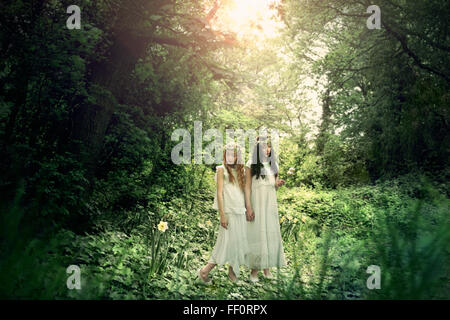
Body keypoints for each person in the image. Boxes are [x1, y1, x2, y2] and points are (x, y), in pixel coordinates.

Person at [198, 143, 249, 283]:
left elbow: (244, 192)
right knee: (225, 243)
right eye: (228, 154)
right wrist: (222, 214)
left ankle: (232, 273)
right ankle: (204, 271)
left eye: (233, 155)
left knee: (237, 242)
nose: (230, 157)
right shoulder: (221, 170)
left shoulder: (241, 171)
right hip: (229, 212)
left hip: (240, 211)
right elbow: (219, 194)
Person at [245, 136, 287, 282]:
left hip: (270, 205)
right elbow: (247, 187)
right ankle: (254, 272)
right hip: (257, 203)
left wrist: (278, 183)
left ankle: (267, 269)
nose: (266, 149)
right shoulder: (251, 164)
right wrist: (248, 207)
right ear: (257, 149)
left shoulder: (273, 164)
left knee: (269, 233)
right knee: (258, 234)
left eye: (268, 146)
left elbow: (273, 184)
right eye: (263, 146)